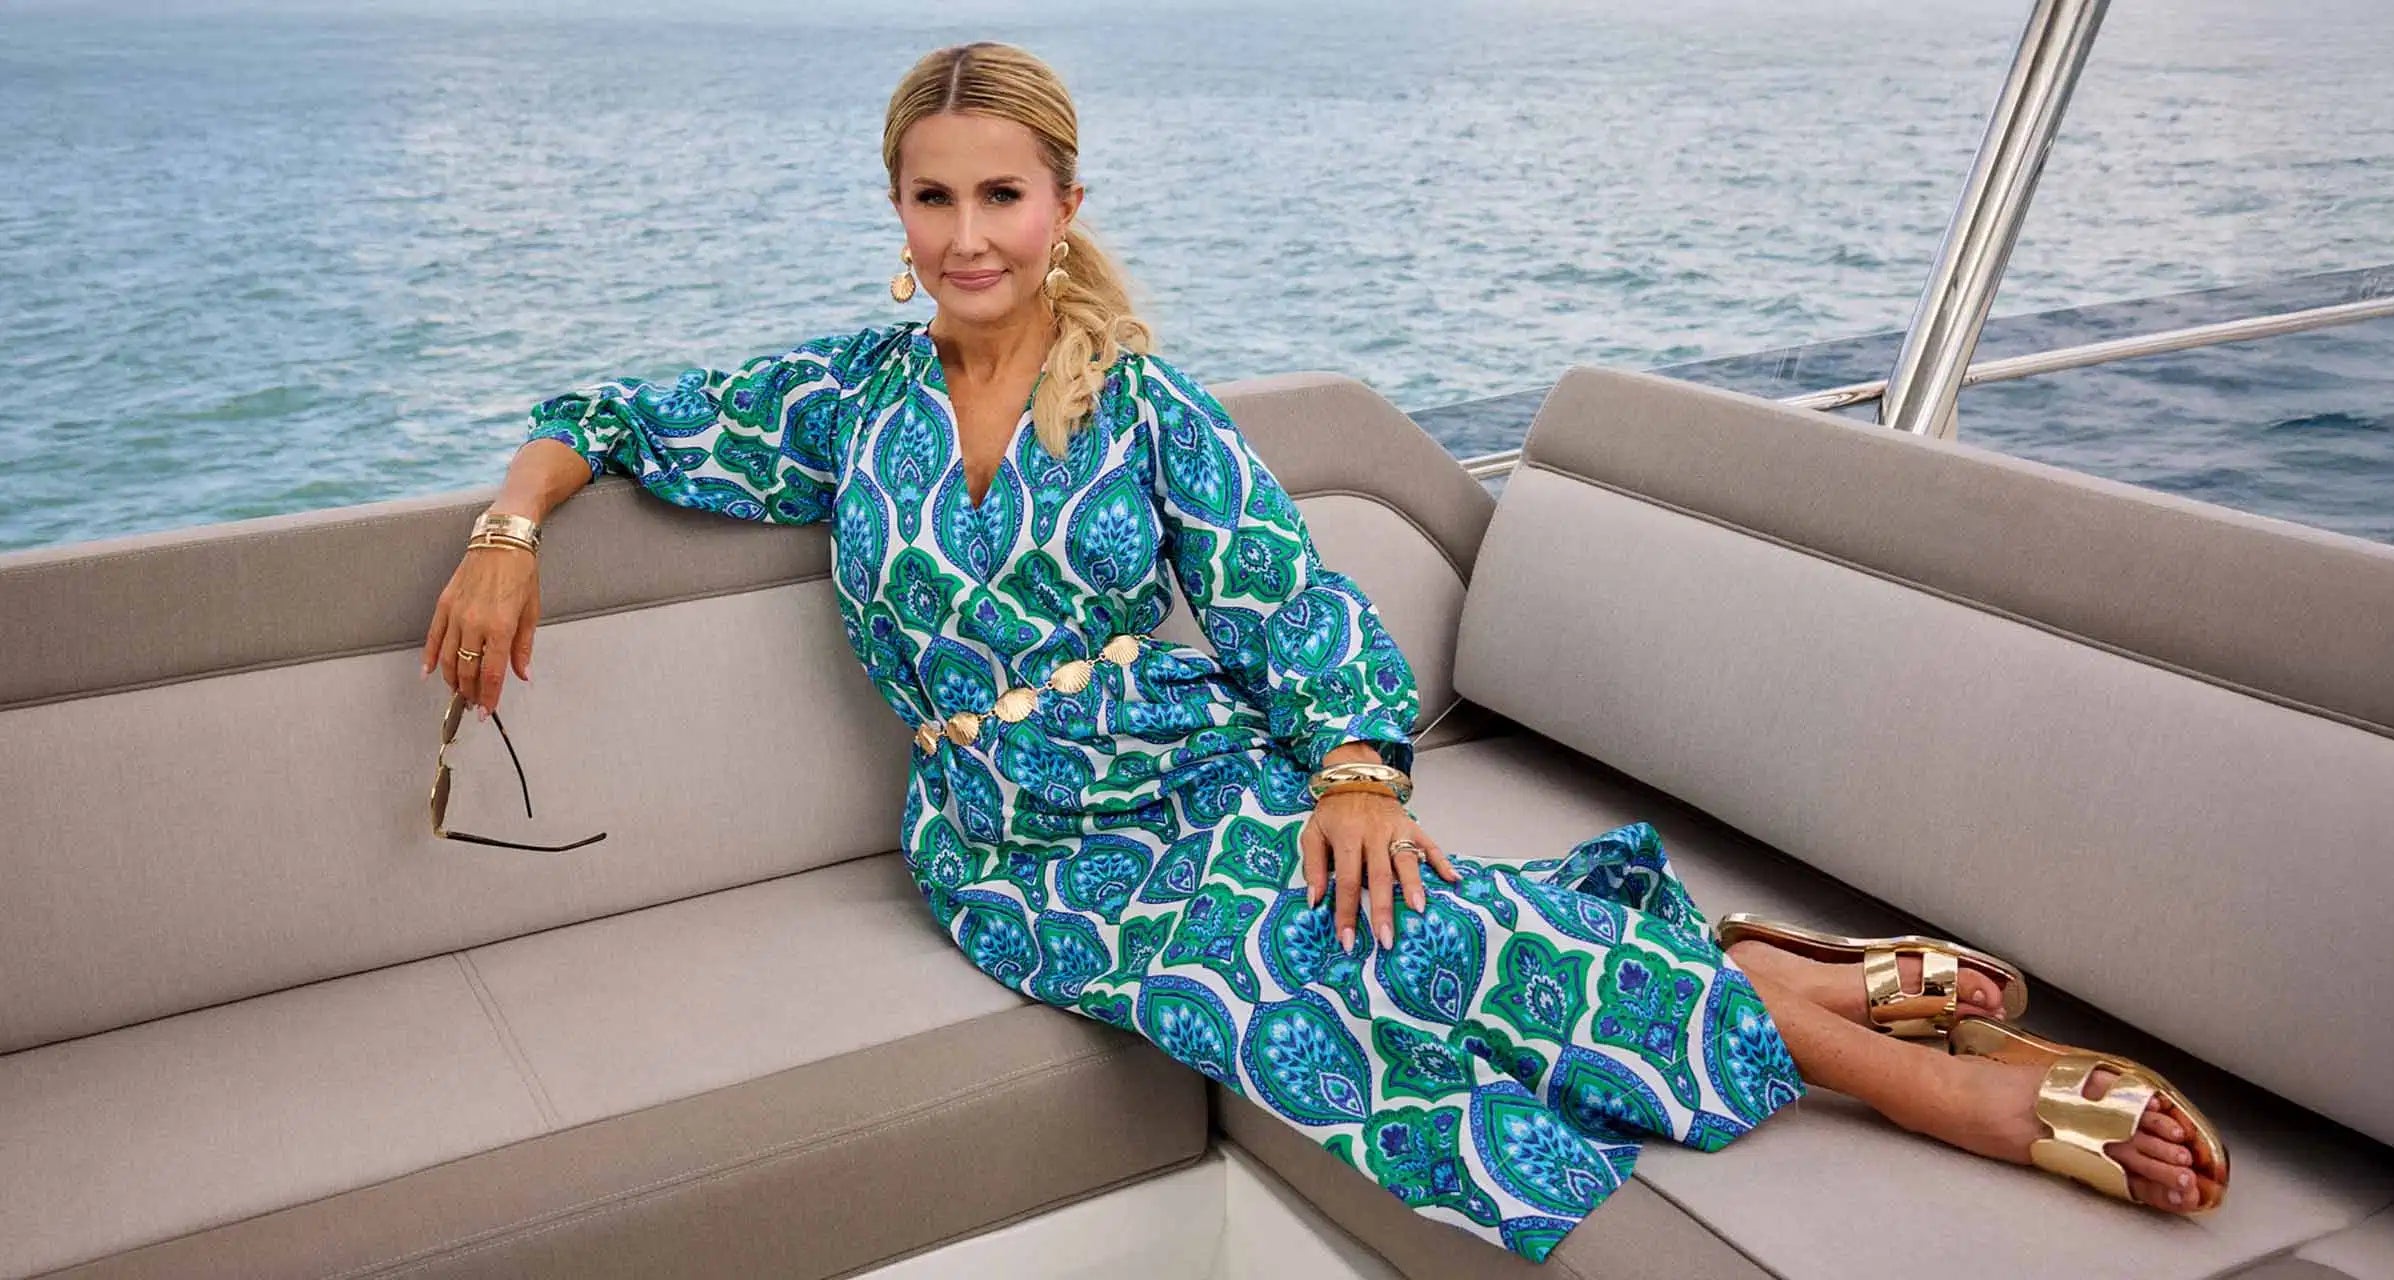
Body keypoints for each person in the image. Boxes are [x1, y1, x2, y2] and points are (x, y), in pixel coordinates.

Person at [419, 40, 2227, 1265]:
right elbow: (609, 411)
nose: (967, 237)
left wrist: (1357, 767)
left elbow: (1288, 590)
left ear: (1062, 205)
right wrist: (510, 533)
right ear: (895, 214)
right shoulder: (842, 396)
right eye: (930, 199)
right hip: (1006, 849)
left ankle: (1878, 1062)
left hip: (1188, 768)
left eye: (1001, 197)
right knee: (1292, 990)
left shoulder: (1140, 401)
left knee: (1395, 927)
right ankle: (1805, 1005)